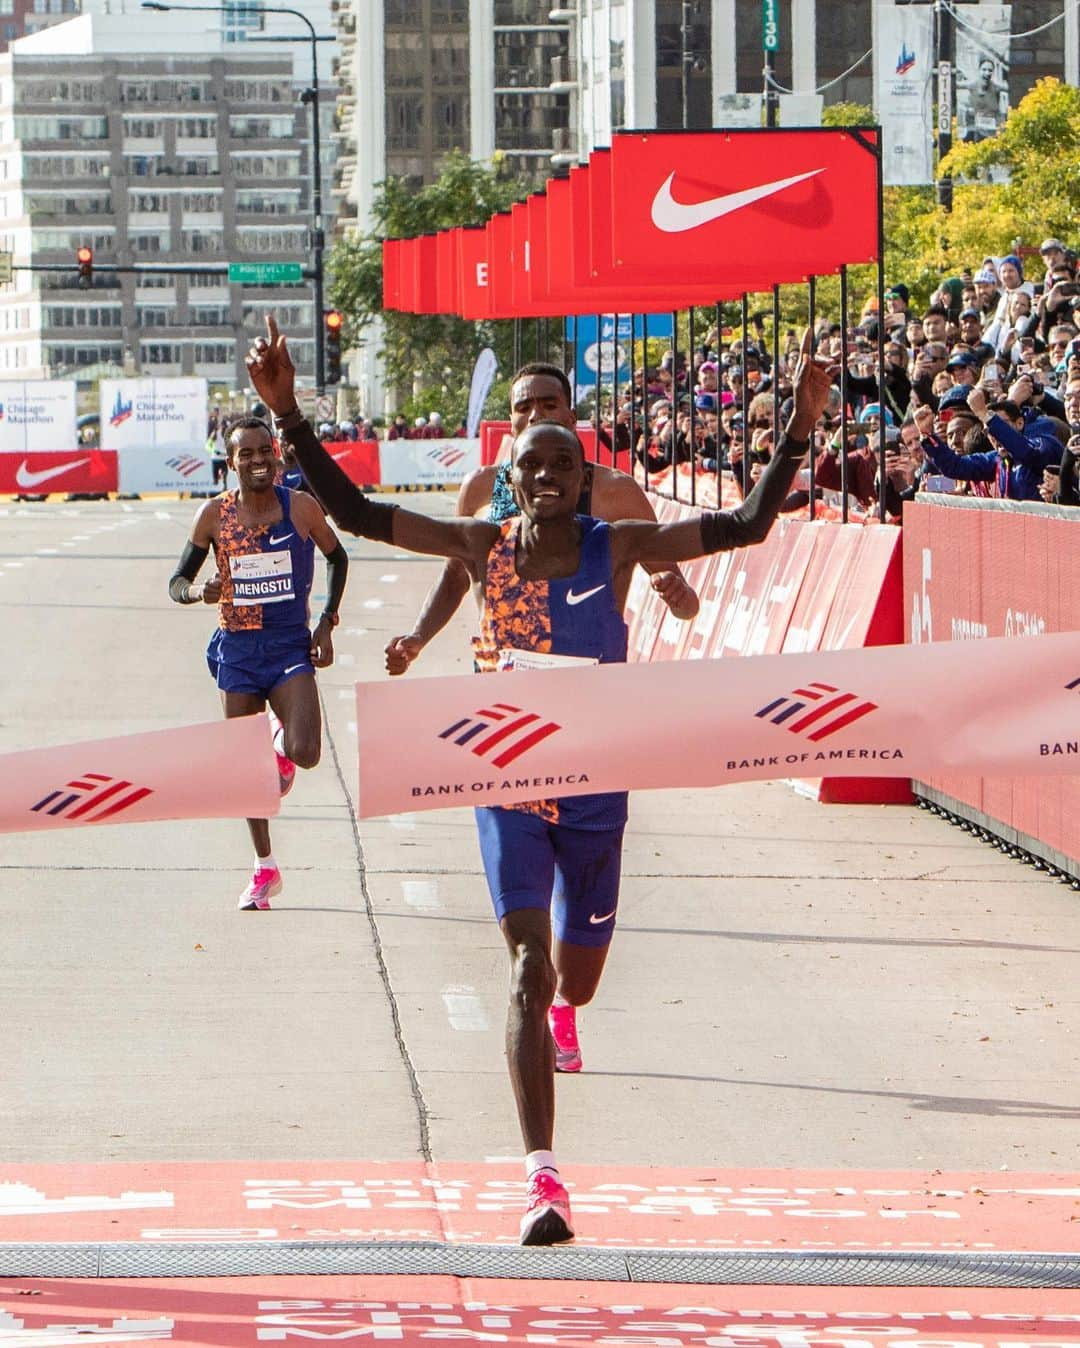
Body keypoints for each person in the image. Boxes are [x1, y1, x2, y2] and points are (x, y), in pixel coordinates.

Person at [246, 315, 836, 1248]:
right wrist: (290, 418)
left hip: (599, 795)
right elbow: (359, 519)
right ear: (512, 481)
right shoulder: (484, 547)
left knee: (577, 981)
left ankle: (568, 1006)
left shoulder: (621, 545)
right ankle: (542, 1180)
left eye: (565, 461)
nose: (551, 477)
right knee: (525, 963)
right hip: (508, 784)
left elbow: (748, 525)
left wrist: (799, 429)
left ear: (583, 471)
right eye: (534, 466)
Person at [383, 362, 701, 690]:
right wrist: (418, 638)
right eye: (524, 407)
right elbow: (454, 577)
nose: (536, 414)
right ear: (511, 423)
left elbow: (687, 605)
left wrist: (680, 597)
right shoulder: (480, 486)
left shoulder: (613, 490)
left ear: (570, 417)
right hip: (502, 688)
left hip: (589, 683)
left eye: (549, 404)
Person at [168, 415, 349, 911]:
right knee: (246, 771)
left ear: (275, 455)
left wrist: (327, 624)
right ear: (230, 463)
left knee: (306, 751)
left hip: (290, 648)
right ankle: (264, 868)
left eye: (262, 451)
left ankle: (280, 741)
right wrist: (196, 592)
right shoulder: (213, 515)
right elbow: (177, 582)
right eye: (244, 454)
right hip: (239, 652)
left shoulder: (301, 509)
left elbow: (339, 558)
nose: (256, 461)